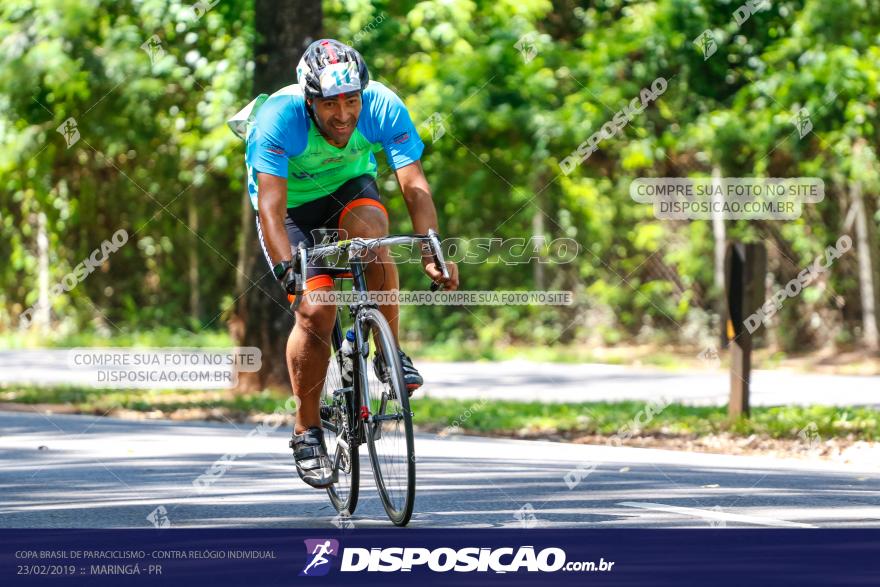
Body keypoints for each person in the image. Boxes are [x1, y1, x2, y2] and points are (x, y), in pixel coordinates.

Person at [230, 39, 459, 488]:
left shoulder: (383, 106)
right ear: (309, 100)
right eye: (329, 104)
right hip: (291, 207)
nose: (342, 114)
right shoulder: (279, 118)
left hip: (349, 188)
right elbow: (271, 212)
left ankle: (387, 350)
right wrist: (287, 269)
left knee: (375, 235)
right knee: (316, 309)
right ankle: (307, 429)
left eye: (351, 101)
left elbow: (413, 184)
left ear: (363, 94)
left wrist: (434, 250)